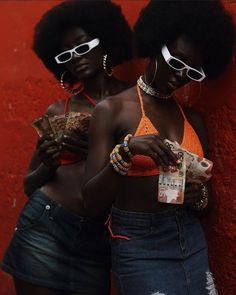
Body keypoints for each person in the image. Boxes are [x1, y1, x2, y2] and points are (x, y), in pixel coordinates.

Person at [82, 1, 235, 294]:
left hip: (189, 239)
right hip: (140, 246)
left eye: (192, 71)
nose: (181, 75)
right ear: (155, 44)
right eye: (176, 62)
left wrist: (198, 196)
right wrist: (127, 151)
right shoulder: (113, 110)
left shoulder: (192, 119)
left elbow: (207, 203)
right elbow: (90, 202)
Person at [1, 1, 132, 295]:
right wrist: (49, 161)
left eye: (83, 46)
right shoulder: (59, 110)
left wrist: (100, 147)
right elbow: (28, 185)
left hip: (98, 241)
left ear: (106, 39)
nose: (76, 58)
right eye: (67, 54)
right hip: (45, 229)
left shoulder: (135, 100)